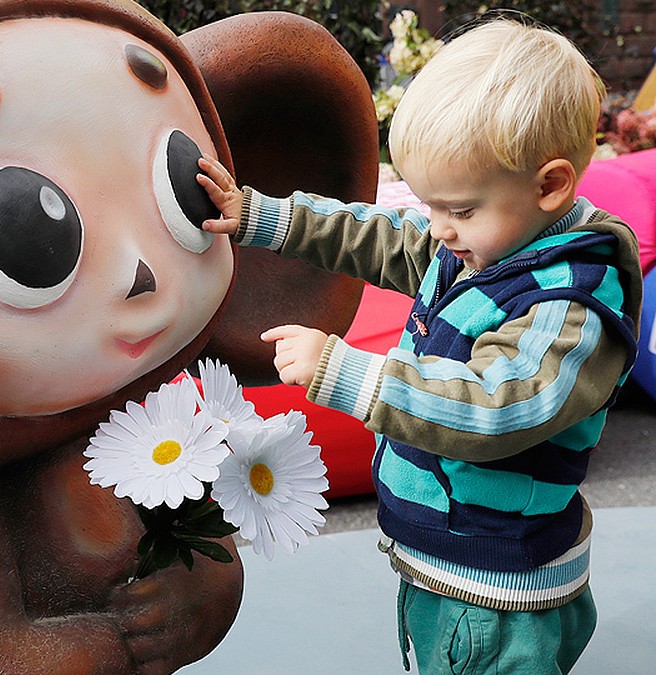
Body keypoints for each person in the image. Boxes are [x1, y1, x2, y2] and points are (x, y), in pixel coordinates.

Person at [195, 18, 642, 674]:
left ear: (549, 186)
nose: (437, 228)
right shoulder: (487, 235)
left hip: (494, 596)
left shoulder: (570, 307)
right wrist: (261, 216)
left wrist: (349, 374)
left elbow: (499, 405)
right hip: (449, 563)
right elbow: (378, 234)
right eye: (430, 204)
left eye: (457, 209)